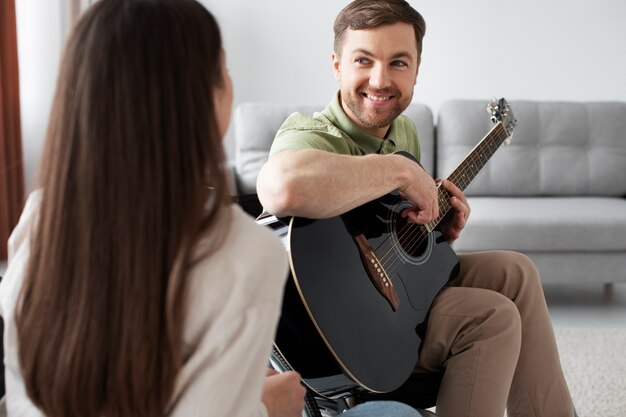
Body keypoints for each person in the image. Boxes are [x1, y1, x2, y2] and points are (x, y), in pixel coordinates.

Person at [256, 1, 577, 417]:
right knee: (491, 317)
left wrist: (437, 224)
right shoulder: (312, 134)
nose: (380, 79)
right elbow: (281, 187)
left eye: (398, 63)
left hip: (394, 296)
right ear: (337, 65)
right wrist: (399, 172)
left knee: (516, 272)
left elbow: (390, 233)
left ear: (417, 71)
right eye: (363, 60)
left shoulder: (403, 129)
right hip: (349, 330)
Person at [0, 1, 307, 416]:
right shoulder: (247, 253)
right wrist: (267, 408)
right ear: (201, 99)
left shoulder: (41, 218)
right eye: (224, 70)